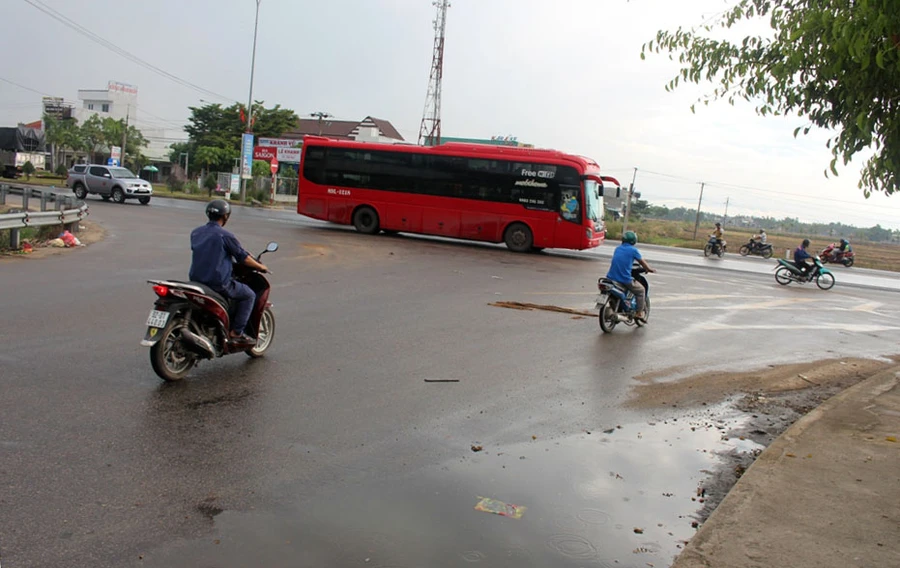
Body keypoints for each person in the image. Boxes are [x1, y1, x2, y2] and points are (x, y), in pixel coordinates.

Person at [190, 199, 268, 344]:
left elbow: (210, 252)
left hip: (196, 281)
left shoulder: (196, 233)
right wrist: (260, 267)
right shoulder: (225, 235)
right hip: (218, 284)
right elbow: (243, 257)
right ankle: (236, 332)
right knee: (249, 295)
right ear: (225, 216)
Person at [605, 231, 656, 321]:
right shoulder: (633, 250)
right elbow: (642, 262)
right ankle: (639, 313)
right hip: (624, 279)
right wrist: (649, 269)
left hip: (610, 278)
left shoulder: (617, 248)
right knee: (641, 290)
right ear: (634, 241)